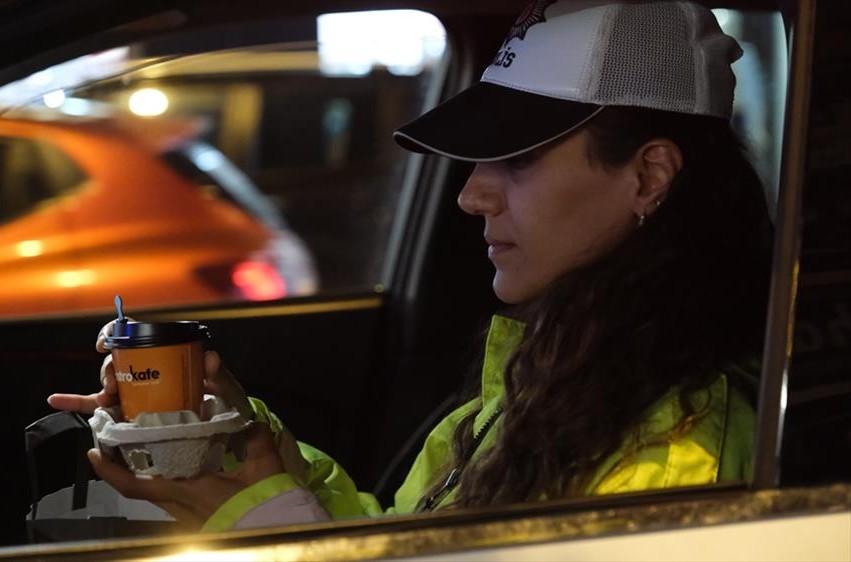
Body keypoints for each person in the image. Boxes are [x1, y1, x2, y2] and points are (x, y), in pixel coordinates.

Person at [48, 0, 774, 531]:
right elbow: (398, 535)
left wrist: (259, 519)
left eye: (516, 158)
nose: (471, 193)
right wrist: (235, 439)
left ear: (647, 177)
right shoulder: (550, 377)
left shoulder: (678, 452)